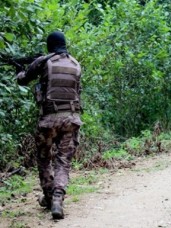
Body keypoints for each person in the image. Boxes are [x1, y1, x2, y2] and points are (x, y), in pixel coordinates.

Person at [16, 31, 83, 219]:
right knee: (63, 161)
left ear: (49, 45)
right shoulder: (76, 64)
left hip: (49, 120)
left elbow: (23, 79)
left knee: (44, 158)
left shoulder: (44, 61)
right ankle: (57, 199)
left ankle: (49, 195)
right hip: (71, 120)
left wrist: (19, 70)